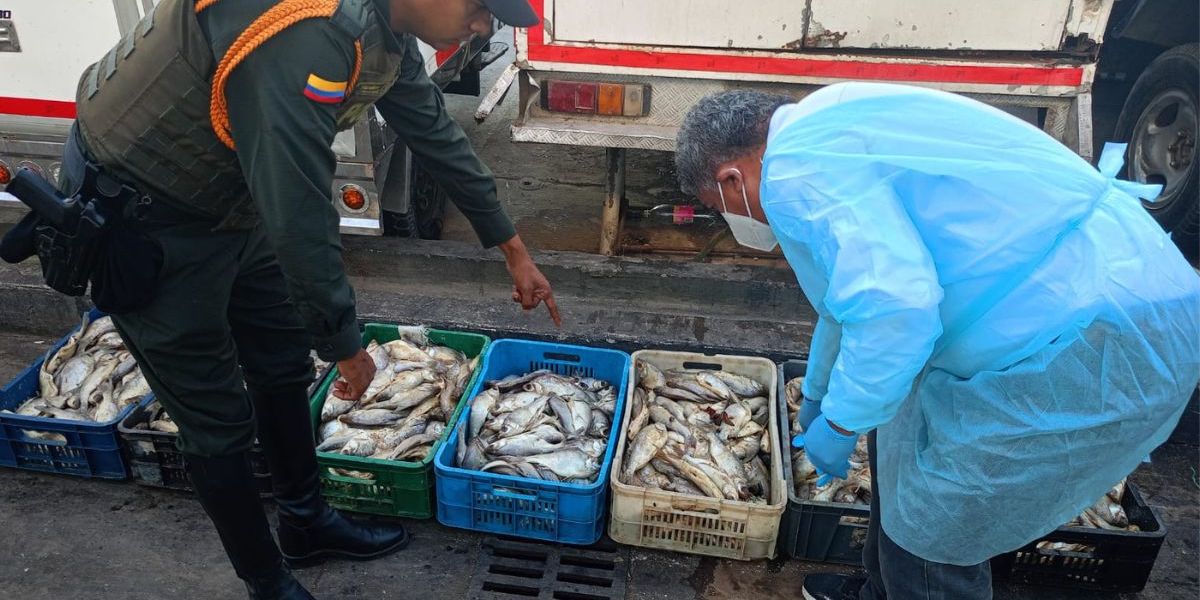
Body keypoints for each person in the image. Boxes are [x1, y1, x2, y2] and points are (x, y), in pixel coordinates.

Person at [40, 0, 555, 598]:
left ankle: (306, 523)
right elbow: (300, 216)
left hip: (229, 199)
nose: (482, 27)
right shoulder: (307, 34)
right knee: (216, 418)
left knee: (281, 360)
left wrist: (513, 248)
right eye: (477, 7)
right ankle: (265, 581)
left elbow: (434, 131)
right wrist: (344, 344)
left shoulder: (387, 28)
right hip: (144, 215)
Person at [674, 83, 1200, 600]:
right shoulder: (816, 129)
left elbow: (895, 308)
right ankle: (879, 590)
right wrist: (817, 393)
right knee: (900, 453)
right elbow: (849, 303)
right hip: (1101, 293)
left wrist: (839, 421)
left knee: (939, 527)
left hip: (1086, 333)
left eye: (722, 207)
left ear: (730, 177)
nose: (738, 219)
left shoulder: (795, 173)